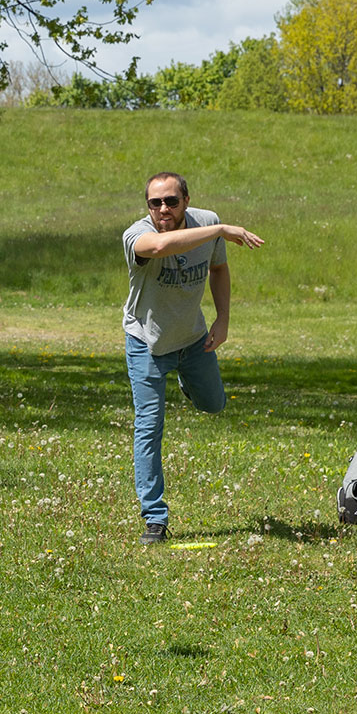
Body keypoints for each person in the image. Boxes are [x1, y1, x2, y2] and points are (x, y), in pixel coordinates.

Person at [121, 171, 264, 545]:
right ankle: (155, 518)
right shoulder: (137, 235)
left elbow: (218, 268)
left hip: (192, 337)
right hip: (148, 343)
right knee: (149, 428)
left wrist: (223, 319)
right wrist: (219, 232)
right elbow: (158, 248)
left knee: (214, 405)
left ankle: (188, 381)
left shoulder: (209, 222)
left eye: (171, 201)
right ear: (147, 206)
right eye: (155, 202)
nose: (163, 209)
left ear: (186, 200)